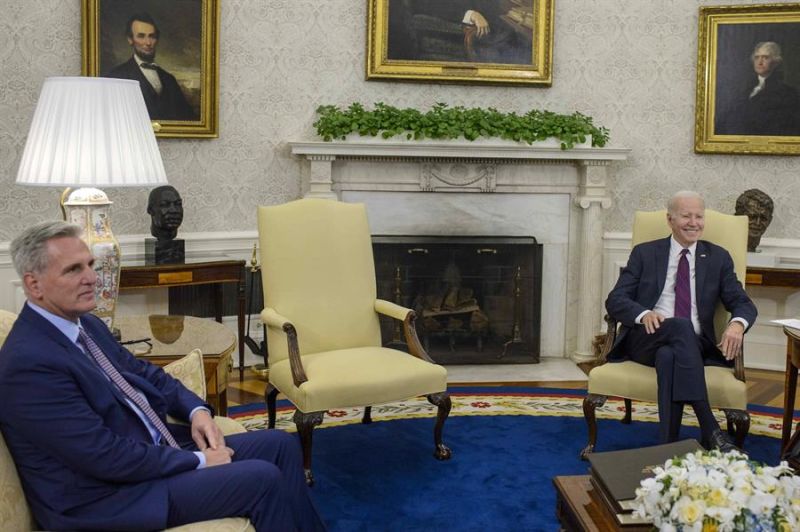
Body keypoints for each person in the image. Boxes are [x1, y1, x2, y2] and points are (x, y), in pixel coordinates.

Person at [0, 221, 326, 531]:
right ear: (33, 284)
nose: (92, 277)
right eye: (73, 269)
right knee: (262, 479)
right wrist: (198, 460)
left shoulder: (85, 325)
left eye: (89, 265)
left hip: (145, 454)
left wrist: (196, 411)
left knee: (279, 445)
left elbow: (146, 374)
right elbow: (103, 456)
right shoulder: (29, 364)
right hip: (106, 498)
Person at [605, 191, 757, 451]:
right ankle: (710, 429)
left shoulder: (718, 258)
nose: (693, 222)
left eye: (699, 216)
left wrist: (737, 324)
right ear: (670, 219)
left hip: (695, 345)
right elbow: (616, 299)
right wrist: (644, 314)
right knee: (680, 326)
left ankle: (666, 446)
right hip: (646, 339)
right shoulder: (645, 253)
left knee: (669, 356)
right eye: (686, 216)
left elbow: (742, 302)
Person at [105, 12, 196, 121]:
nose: (148, 42)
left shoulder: (169, 79)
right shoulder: (116, 76)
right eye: (141, 36)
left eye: (151, 36)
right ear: (130, 39)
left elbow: (188, 118)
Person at [716, 41, 800, 136]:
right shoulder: (744, 89)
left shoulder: (788, 93)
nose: (760, 62)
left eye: (765, 57)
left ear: (776, 62)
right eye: (757, 57)